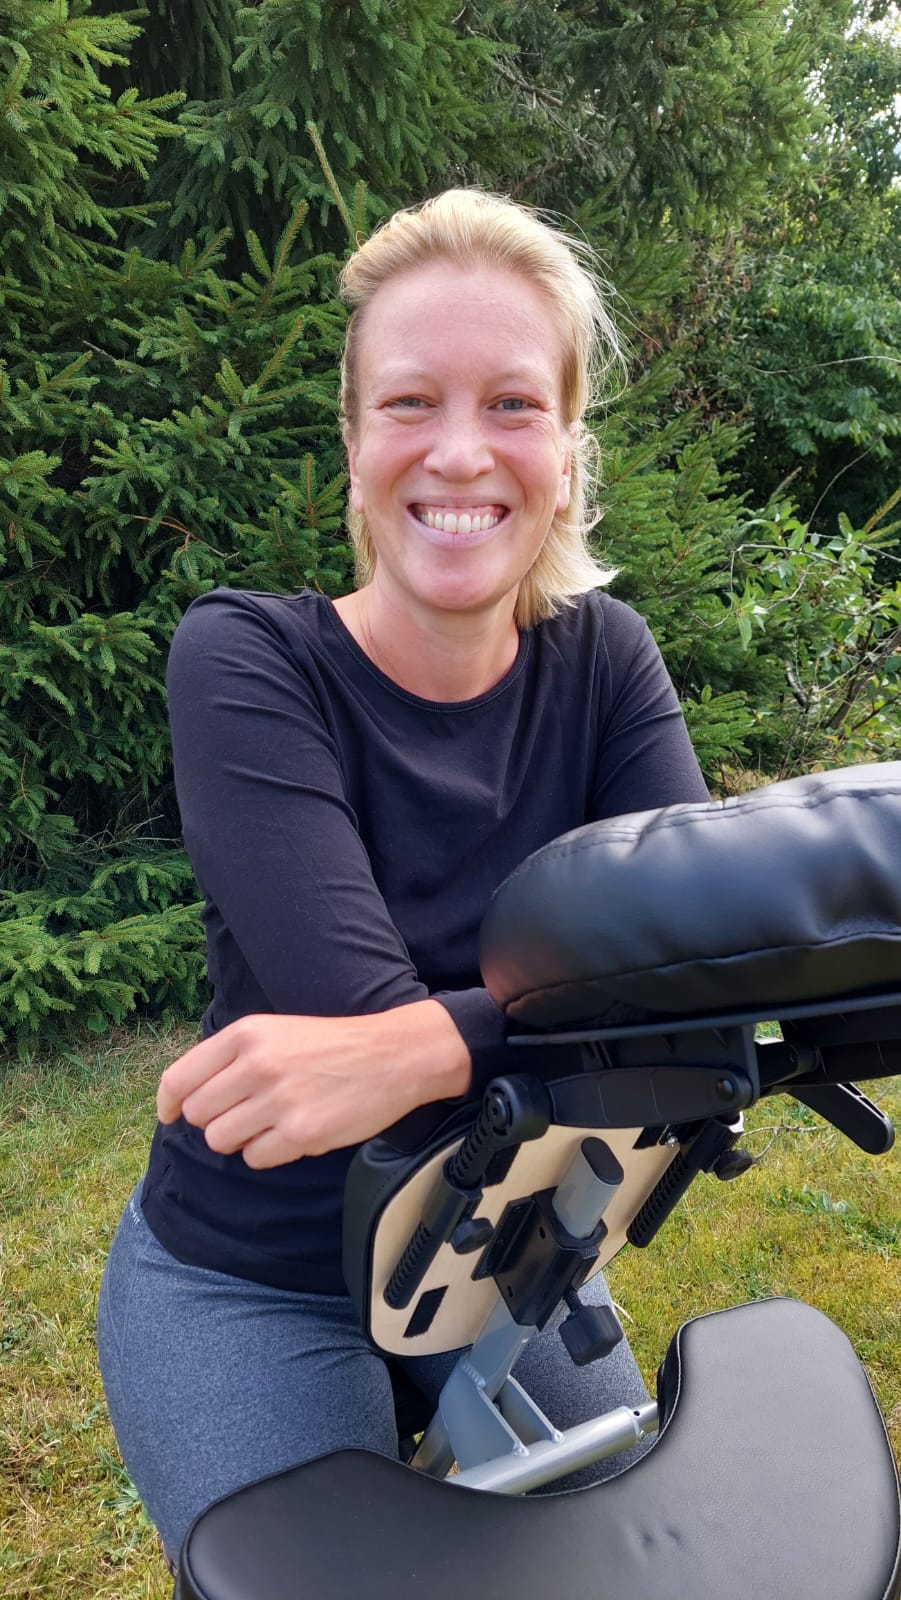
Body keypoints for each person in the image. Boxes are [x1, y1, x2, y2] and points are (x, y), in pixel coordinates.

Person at [96, 188, 709, 1567]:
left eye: (512, 404)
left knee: (640, 1565)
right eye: (410, 402)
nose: (460, 451)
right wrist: (559, 1015)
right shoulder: (249, 662)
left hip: (502, 1254)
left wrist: (423, 1045)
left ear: (567, 449)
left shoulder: (607, 663)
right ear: (356, 443)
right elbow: (358, 1008)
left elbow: (703, 978)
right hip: (257, 1276)